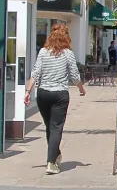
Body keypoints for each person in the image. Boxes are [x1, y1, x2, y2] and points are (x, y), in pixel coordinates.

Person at [24, 24, 86, 175]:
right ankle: (51, 163)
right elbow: (74, 75)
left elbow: (36, 72)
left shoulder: (43, 52)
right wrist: (81, 88)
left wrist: (28, 91)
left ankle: (55, 155)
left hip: (43, 94)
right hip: (60, 95)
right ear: (67, 37)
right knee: (56, 128)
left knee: (49, 127)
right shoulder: (68, 53)